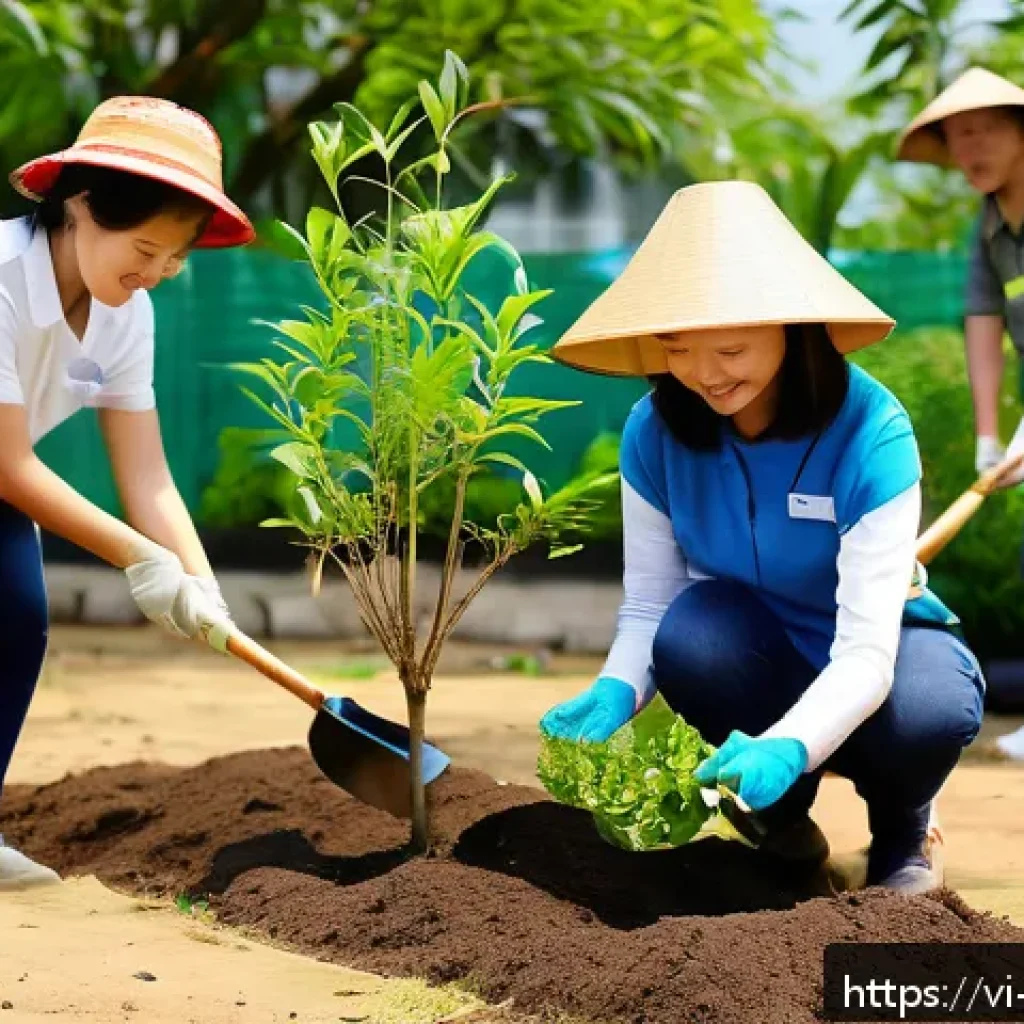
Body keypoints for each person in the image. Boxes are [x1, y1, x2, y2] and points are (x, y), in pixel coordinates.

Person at [540, 181, 985, 896]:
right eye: (679, 350)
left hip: (883, 649)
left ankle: (902, 830)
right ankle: (778, 820)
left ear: (791, 327)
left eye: (732, 350)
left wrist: (792, 742)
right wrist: (618, 688)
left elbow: (868, 654)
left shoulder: (872, 432)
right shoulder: (654, 434)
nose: (705, 377)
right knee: (688, 637)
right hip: (751, 646)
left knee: (931, 708)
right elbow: (651, 603)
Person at [0, 96, 252, 889]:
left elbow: (147, 475)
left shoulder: (126, 314)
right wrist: (143, 560)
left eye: (174, 260)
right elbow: (9, 467)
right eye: (144, 249)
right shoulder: (2, 280)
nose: (155, 274)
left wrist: (204, 587)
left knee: (15, 619)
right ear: (81, 206)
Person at [898, 67, 1024, 759]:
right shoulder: (992, 223)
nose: (966, 148)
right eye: (954, 136)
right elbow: (985, 320)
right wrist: (986, 435)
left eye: (981, 129)